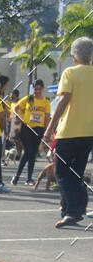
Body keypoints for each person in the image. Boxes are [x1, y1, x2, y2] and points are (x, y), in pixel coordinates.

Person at [43, 36, 93, 228]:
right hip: (89, 132)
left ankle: (73, 212)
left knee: (62, 173)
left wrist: (49, 128)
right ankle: (75, 209)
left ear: (74, 57)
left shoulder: (70, 72)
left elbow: (64, 100)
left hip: (69, 131)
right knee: (76, 173)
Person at [11, 80, 50, 185]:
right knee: (28, 152)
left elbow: (47, 117)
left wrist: (47, 131)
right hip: (27, 129)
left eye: (39, 89)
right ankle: (17, 176)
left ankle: (29, 178)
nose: (37, 91)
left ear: (42, 89)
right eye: (35, 89)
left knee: (32, 154)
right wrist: (19, 117)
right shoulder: (28, 99)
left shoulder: (46, 102)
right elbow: (15, 108)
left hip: (39, 129)